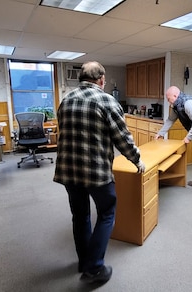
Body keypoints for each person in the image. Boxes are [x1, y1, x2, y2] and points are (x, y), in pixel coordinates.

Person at [54, 61, 145, 284]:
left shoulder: (66, 100)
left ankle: (84, 262)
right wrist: (137, 160)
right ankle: (94, 268)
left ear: (81, 78)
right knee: (106, 213)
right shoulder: (107, 101)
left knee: (80, 216)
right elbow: (122, 139)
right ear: (101, 80)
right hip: (96, 173)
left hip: (69, 170)